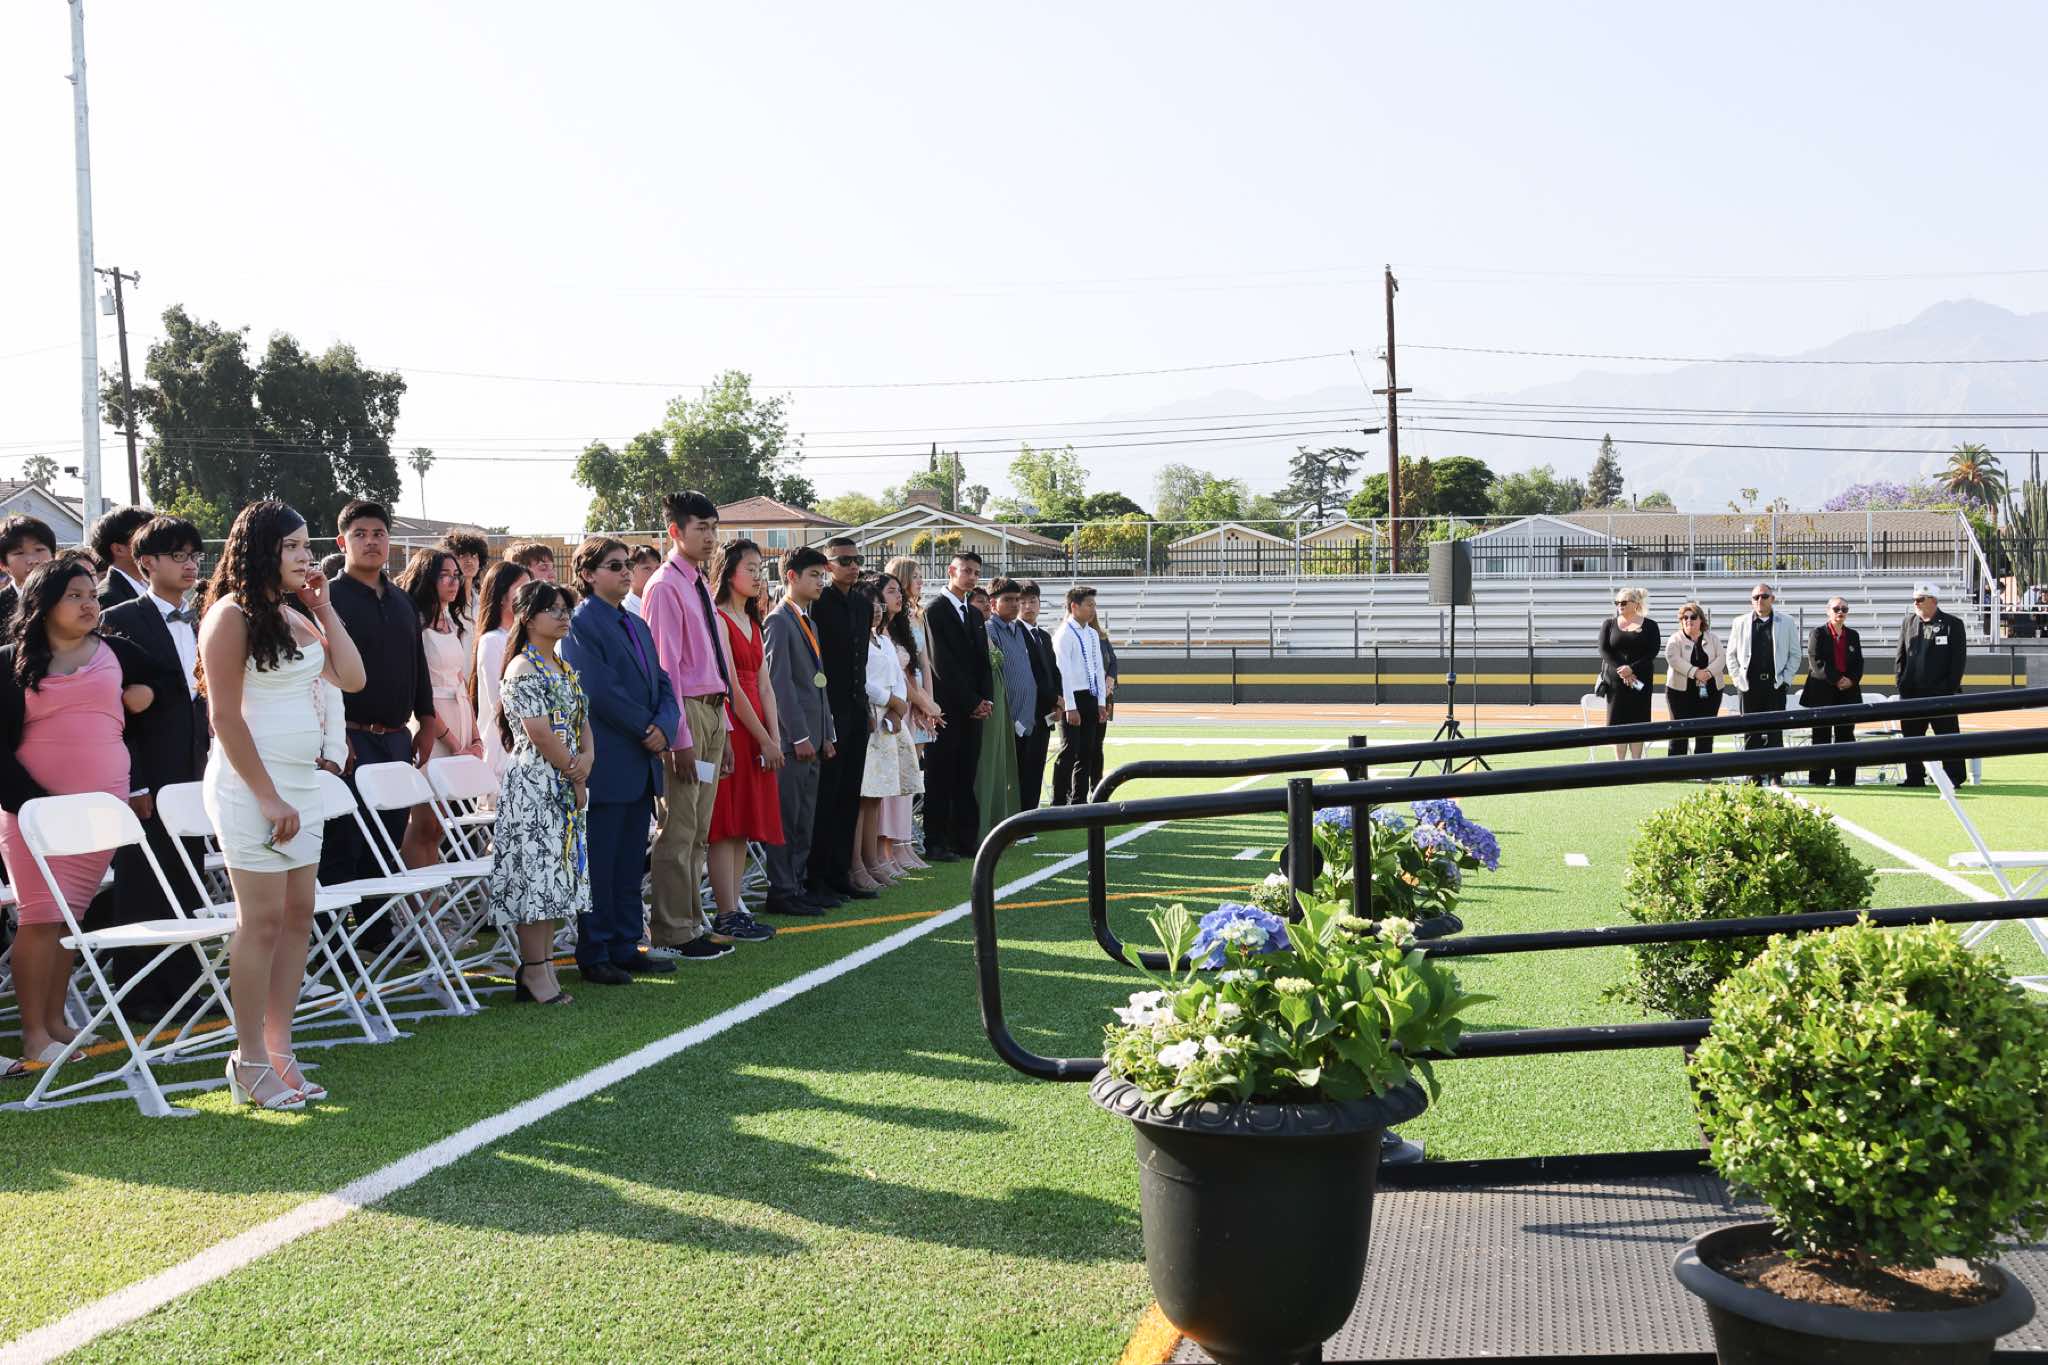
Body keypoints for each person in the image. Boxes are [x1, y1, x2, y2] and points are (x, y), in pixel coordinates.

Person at [198, 502, 366, 1110]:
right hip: (251, 788)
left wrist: (324, 607)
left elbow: (352, 678)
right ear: (261, 550)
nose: (304, 556)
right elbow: (224, 717)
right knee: (262, 921)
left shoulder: (297, 614)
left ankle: (278, 1050)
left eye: (305, 545)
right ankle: (247, 1060)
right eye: (291, 546)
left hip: (301, 785)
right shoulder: (229, 615)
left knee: (299, 917)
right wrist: (267, 796)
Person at [0, 557, 155, 1080]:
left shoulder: (117, 651)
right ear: (44, 604)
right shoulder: (10, 663)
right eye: (75, 595)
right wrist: (31, 804)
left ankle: (56, 1023)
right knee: (40, 917)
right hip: (34, 812)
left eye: (93, 594)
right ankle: (33, 1032)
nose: (90, 604)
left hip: (100, 811)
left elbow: (163, 680)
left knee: (70, 918)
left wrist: (143, 695)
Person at [98, 516, 212, 1011]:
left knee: (188, 874)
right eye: (178, 556)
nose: (190, 565)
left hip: (194, 766)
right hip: (146, 770)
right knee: (144, 880)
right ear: (146, 563)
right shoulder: (120, 618)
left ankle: (185, 986)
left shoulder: (203, 617)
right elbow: (116, 713)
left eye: (194, 556)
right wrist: (135, 782)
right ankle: (140, 993)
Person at [561, 536, 686, 981]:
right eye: (614, 566)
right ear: (588, 574)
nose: (625, 572)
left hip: (640, 758)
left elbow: (663, 683)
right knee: (601, 861)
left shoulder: (635, 622)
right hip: (609, 759)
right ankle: (596, 952)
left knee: (630, 862)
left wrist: (665, 725)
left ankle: (627, 943)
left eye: (627, 565)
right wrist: (647, 729)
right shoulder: (580, 623)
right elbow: (596, 690)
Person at [318, 502, 440, 916]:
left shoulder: (403, 601)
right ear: (342, 542)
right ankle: (335, 939)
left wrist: (427, 720)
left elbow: (417, 666)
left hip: (395, 739)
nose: (371, 542)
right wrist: (335, 738)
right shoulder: (326, 599)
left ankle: (377, 935)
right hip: (349, 740)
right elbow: (319, 675)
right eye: (360, 534)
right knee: (343, 842)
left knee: (387, 841)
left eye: (378, 534)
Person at [641, 492, 743, 957]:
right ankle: (672, 930)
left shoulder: (698, 581)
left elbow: (711, 661)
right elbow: (665, 669)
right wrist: (677, 736)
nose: (710, 537)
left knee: (699, 828)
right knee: (678, 827)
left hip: (712, 710)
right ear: (675, 531)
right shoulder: (665, 586)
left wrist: (726, 728)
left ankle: (692, 921)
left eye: (713, 528)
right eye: (701, 527)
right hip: (687, 713)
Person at [486, 579, 590, 1008]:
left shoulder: (561, 665)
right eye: (554, 610)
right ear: (528, 618)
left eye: (567, 609)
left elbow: (582, 720)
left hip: (563, 777)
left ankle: (543, 965)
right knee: (536, 878)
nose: (564, 617)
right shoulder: (522, 668)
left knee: (554, 877)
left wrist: (587, 758)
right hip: (536, 783)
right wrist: (575, 771)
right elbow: (538, 733)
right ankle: (533, 968)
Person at [704, 538, 780, 942]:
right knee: (727, 822)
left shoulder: (754, 620)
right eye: (750, 568)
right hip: (735, 725)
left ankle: (734, 908)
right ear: (728, 571)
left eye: (759, 569)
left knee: (743, 825)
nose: (757, 576)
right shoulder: (718, 618)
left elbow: (765, 685)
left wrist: (775, 737)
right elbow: (732, 686)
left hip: (758, 727)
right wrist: (764, 738)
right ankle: (726, 912)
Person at [760, 547, 834, 917]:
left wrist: (827, 732)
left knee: (805, 818)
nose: (821, 582)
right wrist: (800, 736)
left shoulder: (809, 622)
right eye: (814, 575)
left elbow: (818, 684)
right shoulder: (778, 621)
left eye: (822, 575)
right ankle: (782, 889)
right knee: (787, 818)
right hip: (795, 740)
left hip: (814, 736)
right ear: (791, 576)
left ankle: (798, 884)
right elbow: (780, 683)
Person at [396, 548, 480, 868]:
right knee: (425, 823)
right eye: (444, 575)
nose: (453, 582)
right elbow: (423, 688)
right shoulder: (415, 623)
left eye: (456, 575)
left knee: (441, 825)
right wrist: (454, 742)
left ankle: (432, 897)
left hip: (459, 713)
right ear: (426, 578)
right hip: (432, 721)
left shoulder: (451, 620)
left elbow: (461, 680)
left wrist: (474, 735)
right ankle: (417, 896)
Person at [809, 536, 878, 893]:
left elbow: (861, 662)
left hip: (855, 709)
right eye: (845, 561)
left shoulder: (863, 604)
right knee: (827, 795)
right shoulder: (818, 603)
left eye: (857, 560)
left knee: (850, 795)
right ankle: (817, 877)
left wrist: (864, 707)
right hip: (828, 710)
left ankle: (840, 874)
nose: (853, 567)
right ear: (828, 565)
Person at [922, 550, 993, 859]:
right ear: (951, 570)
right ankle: (936, 841)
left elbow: (983, 662)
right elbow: (941, 664)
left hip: (973, 711)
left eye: (976, 572)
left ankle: (965, 839)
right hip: (947, 709)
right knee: (941, 775)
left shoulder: (975, 614)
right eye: (966, 570)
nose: (972, 577)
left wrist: (985, 699)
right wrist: (971, 701)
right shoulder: (935, 611)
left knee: (966, 775)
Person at [882, 555, 942, 862]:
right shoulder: (892, 618)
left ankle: (904, 840)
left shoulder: (919, 615)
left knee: (911, 775)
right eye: (915, 575)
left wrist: (929, 703)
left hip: (917, 699)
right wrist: (921, 701)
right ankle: (892, 844)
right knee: (896, 775)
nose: (920, 581)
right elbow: (900, 667)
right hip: (902, 699)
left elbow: (924, 662)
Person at [854, 582, 911, 888]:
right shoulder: (857, 640)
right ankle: (857, 863)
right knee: (863, 796)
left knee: (876, 795)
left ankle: (872, 860)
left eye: (879, 604)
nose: (876, 610)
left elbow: (898, 680)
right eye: (871, 604)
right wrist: (890, 701)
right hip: (870, 715)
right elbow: (861, 680)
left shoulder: (884, 640)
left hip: (889, 719)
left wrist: (897, 709)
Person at [1724, 581, 1800, 786]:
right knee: (1751, 732)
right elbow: (1731, 655)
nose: (1760, 600)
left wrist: (1785, 680)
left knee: (1775, 730)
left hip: (1775, 685)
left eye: (1764, 596)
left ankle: (1776, 774)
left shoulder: (1787, 622)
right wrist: (1738, 680)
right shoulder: (1740, 622)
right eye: (1756, 597)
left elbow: (1795, 654)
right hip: (1748, 686)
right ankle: (1753, 775)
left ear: (1772, 599)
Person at [1895, 583, 1969, 789]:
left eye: (1920, 599)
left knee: (1947, 737)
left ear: (1933, 601)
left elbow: (1958, 661)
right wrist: (1901, 683)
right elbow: (1900, 656)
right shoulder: (1908, 622)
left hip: (1941, 694)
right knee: (1911, 737)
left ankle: (1953, 777)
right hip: (1912, 694)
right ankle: (1914, 777)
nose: (1916, 603)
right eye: (1914, 600)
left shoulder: (1953, 624)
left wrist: (1948, 688)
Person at [470, 560, 530, 784]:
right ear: (501, 596)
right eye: (521, 589)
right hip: (505, 749)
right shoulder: (493, 640)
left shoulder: (528, 640)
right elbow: (501, 702)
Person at [983, 578, 1037, 823]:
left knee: (1024, 774)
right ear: (993, 603)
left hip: (1025, 717)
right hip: (1005, 718)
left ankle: (1021, 822)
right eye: (1008, 600)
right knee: (1006, 778)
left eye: (1017, 599)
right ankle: (1006, 824)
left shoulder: (1018, 630)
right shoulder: (990, 629)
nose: (1015, 604)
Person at [1051, 585, 1109, 806]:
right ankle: (1058, 801)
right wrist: (1070, 706)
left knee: (1088, 752)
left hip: (1090, 696)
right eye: (1089, 605)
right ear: (1074, 606)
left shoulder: (1092, 634)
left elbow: (1098, 670)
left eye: (1094, 605)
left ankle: (1079, 800)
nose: (1093, 609)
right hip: (1073, 697)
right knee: (1069, 751)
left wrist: (1101, 702)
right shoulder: (1064, 634)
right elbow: (1063, 674)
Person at [1800, 596, 1864, 788]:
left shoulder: (1853, 635)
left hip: (1848, 692)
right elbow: (1816, 660)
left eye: (1844, 609)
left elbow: (1858, 662)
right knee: (1821, 735)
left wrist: (1850, 680)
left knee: (1846, 735)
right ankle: (1819, 778)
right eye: (1836, 609)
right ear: (1828, 611)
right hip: (1822, 691)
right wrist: (1837, 679)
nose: (1840, 612)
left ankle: (1846, 779)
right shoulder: (1818, 633)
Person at [1597, 586, 1661, 759]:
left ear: (1636, 604)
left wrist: (1632, 669)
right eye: (1617, 602)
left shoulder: (1650, 625)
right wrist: (1623, 670)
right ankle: (1619, 763)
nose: (1620, 605)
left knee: (1638, 720)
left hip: (1641, 680)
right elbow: (1604, 650)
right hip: (1616, 682)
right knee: (1618, 722)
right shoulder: (1608, 624)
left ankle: (1636, 762)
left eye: (1624, 602)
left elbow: (1652, 652)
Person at [1016, 582, 1062, 810]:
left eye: (1032, 601)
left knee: (1036, 767)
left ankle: (1032, 815)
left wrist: (1059, 700)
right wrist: (1055, 698)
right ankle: (1021, 817)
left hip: (1045, 714)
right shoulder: (1015, 633)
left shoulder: (1043, 635)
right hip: (1026, 712)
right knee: (1023, 770)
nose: (1028, 606)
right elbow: (1031, 673)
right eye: (1022, 602)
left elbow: (1053, 670)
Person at [1662, 601, 1725, 758]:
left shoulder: (1713, 638)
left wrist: (1707, 673)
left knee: (1705, 732)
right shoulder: (1675, 639)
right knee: (1679, 732)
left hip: (1710, 692)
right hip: (1679, 693)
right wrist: (1695, 673)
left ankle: (1703, 767)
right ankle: (1677, 767)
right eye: (1685, 617)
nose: (1688, 620)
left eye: (1693, 617)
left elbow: (1721, 658)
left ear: (1701, 620)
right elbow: (1673, 658)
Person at [0, 515, 58, 636]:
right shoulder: (2, 604)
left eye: (39, 550)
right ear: (3, 564)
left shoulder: (67, 595)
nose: (32, 560)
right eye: (19, 553)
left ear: (53, 556)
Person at [90, 505, 155, 608]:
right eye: (146, 537)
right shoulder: (108, 599)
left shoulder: (152, 587)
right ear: (118, 549)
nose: (157, 544)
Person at [437, 527, 490, 604]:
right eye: (462, 555)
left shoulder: (482, 601)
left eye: (474, 555)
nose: (469, 561)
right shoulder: (443, 600)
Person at [624, 543, 661, 617]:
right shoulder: (625, 610)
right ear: (630, 571)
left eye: (657, 568)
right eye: (647, 568)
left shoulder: (662, 602)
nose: (655, 573)